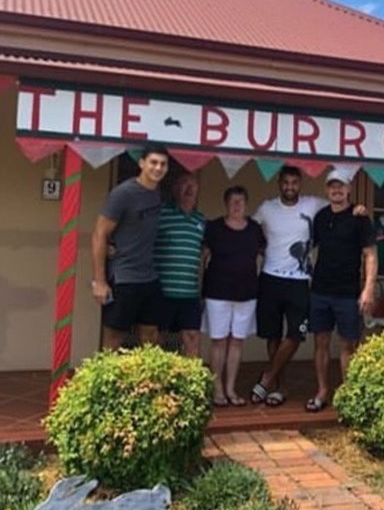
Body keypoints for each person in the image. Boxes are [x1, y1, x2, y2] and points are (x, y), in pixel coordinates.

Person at [250, 165, 365, 406]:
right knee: (273, 336)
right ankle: (278, 388)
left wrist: (358, 208)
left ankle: (268, 376)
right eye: (285, 182)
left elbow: (340, 205)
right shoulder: (266, 208)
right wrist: (260, 249)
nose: (290, 187)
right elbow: (250, 232)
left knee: (295, 334)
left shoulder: (314, 205)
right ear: (279, 184)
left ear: (299, 184)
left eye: (294, 182)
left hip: (300, 281)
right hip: (270, 277)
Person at [306, 168, 377, 412]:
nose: (336, 190)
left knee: (348, 345)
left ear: (348, 189)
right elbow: (307, 246)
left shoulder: (360, 218)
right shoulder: (321, 217)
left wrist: (368, 289)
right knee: (321, 342)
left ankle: (348, 394)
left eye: (341, 186)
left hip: (348, 292)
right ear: (327, 190)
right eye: (332, 186)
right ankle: (322, 390)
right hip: (320, 290)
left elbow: (370, 255)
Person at [91, 143, 169, 349]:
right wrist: (99, 281)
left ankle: (144, 382)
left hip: (149, 276)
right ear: (142, 163)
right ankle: (107, 380)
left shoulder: (157, 194)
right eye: (153, 162)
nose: (158, 168)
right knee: (114, 338)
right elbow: (100, 233)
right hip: (123, 277)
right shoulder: (123, 193)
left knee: (151, 336)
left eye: (163, 164)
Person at [202, 186, 265, 407]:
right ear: (226, 204)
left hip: (246, 293)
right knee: (219, 341)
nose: (237, 205)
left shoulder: (255, 229)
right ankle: (217, 387)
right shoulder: (214, 228)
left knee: (237, 341)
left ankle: (230, 387)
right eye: (232, 201)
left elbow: (263, 254)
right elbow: (203, 257)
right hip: (217, 292)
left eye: (240, 201)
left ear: (246, 204)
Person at [154, 172, 206, 358]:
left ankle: (191, 384)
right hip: (162, 291)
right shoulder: (161, 214)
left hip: (190, 294)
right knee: (157, 338)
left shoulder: (201, 220)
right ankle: (156, 384)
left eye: (193, 184)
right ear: (175, 188)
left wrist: (201, 290)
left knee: (192, 337)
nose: (189, 189)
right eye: (184, 183)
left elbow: (203, 256)